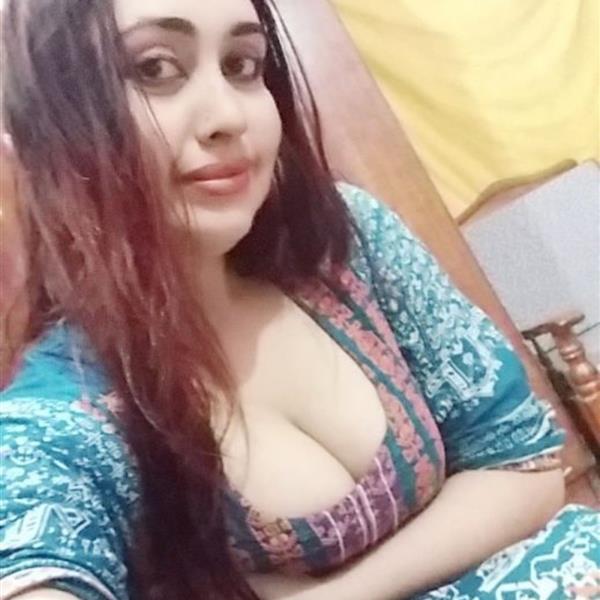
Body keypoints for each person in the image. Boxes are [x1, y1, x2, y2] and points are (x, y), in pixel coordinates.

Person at [0, 1, 598, 599]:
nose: (228, 115)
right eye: (155, 68)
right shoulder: (63, 415)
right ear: (38, 125)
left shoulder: (345, 247)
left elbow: (524, 465)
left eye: (242, 64)